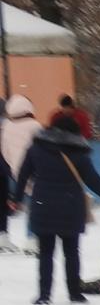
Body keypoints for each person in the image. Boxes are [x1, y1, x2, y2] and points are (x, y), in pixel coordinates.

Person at [8, 111, 100, 305]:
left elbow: (23, 174)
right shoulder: (79, 153)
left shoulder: (36, 148)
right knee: (71, 252)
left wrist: (16, 199)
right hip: (70, 205)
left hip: (43, 204)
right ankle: (75, 293)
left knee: (45, 253)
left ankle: (44, 295)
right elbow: (92, 180)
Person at [0, 94, 43, 254]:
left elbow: (4, 152)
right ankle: (32, 239)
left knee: (26, 203)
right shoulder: (35, 126)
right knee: (35, 205)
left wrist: (12, 168)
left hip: (16, 171)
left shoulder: (6, 127)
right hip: (36, 170)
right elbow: (42, 147)